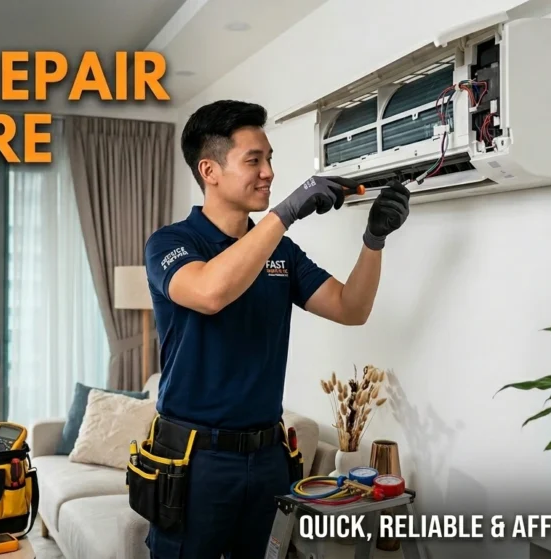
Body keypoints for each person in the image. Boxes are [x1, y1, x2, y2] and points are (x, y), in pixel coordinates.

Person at [140, 99, 411, 559]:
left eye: (269, 159)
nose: (268, 172)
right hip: (196, 459)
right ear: (209, 170)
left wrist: (374, 240)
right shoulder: (171, 242)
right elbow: (210, 292)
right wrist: (282, 214)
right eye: (254, 160)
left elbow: (351, 308)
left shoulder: (280, 251)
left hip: (268, 457)